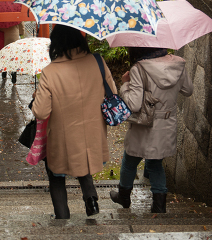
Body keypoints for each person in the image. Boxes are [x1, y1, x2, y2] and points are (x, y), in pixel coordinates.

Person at [31, 25, 114, 219]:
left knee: (57, 175)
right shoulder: (98, 61)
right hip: (93, 133)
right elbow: (113, 94)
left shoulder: (50, 72)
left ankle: (62, 218)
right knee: (82, 162)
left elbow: (41, 112)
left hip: (63, 136)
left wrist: (38, 97)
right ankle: (91, 198)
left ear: (56, 44)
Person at [110, 47, 193, 213]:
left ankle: (124, 196)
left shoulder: (139, 68)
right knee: (155, 163)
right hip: (166, 123)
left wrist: (125, 84)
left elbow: (134, 104)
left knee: (130, 160)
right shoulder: (177, 65)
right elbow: (188, 90)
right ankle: (159, 206)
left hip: (144, 124)